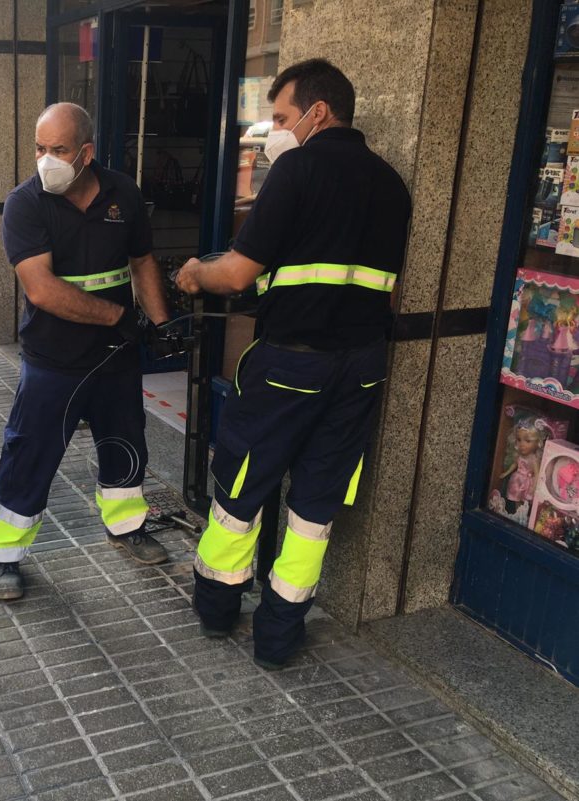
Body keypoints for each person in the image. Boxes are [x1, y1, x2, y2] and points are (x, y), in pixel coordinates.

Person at [175, 59, 411, 669]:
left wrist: (195, 272)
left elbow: (236, 273)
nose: (276, 129)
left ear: (318, 112)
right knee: (317, 502)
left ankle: (218, 607)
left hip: (288, 364)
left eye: (281, 117)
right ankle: (280, 634)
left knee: (241, 485)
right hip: (361, 367)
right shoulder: (392, 183)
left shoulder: (297, 169)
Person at [0, 102, 171, 601]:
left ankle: (128, 525)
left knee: (124, 442)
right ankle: (3, 555)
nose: (46, 160)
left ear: (86, 152)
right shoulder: (26, 203)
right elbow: (41, 290)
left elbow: (142, 260)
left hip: (116, 356)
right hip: (53, 359)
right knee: (29, 453)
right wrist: (118, 317)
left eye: (59, 150)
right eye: (40, 149)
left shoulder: (122, 194)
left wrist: (162, 322)